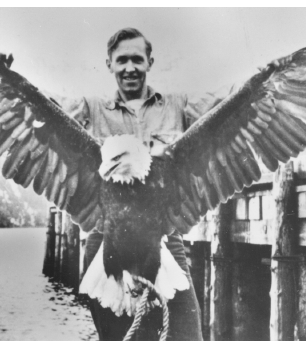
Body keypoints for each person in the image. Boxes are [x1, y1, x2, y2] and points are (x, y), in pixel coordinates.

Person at [64, 28, 225, 341]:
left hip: (162, 240)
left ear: (149, 61)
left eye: (137, 59)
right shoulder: (90, 109)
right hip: (106, 239)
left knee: (186, 338)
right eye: (121, 60)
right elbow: (34, 106)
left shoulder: (178, 107)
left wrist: (268, 74)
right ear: (109, 63)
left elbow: (230, 99)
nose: (129, 67)